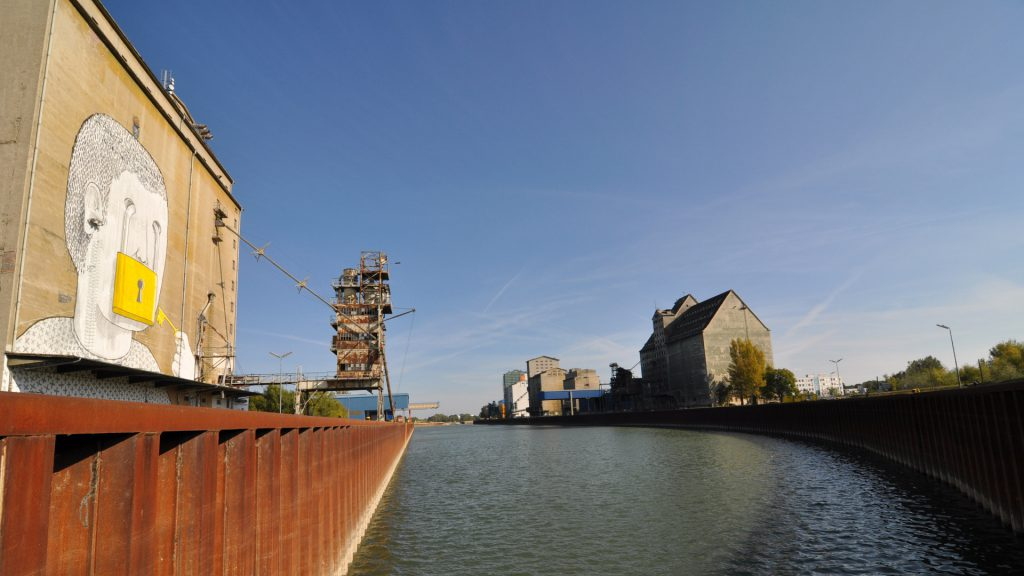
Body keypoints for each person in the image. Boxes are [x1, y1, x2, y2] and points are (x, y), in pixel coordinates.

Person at [14, 113, 194, 378]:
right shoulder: (33, 350)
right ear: (92, 215)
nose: (145, 255)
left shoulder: (150, 368)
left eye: (157, 235)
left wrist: (187, 381)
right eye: (131, 221)